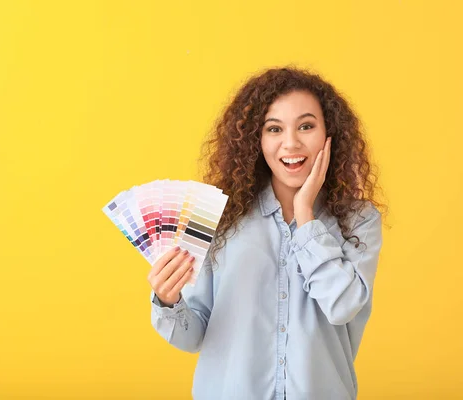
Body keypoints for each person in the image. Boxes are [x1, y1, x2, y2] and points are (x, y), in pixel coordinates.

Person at [147, 66, 386, 400]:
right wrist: (167, 301)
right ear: (256, 140)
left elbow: (343, 307)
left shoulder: (358, 221)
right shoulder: (213, 217)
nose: (291, 143)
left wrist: (305, 217)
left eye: (306, 126)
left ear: (329, 134)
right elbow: (193, 336)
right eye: (274, 129)